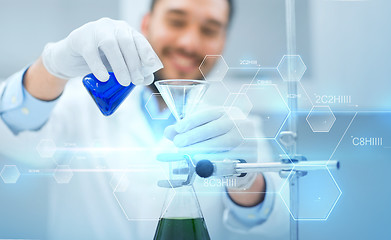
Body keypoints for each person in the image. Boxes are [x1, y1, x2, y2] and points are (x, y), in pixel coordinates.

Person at [0, 0, 289, 239]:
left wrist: (246, 179)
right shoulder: (81, 104)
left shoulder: (237, 126)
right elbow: (13, 134)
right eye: (176, 21)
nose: (190, 42)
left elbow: (270, 227)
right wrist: (51, 67)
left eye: (210, 29)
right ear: (146, 25)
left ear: (223, 40)